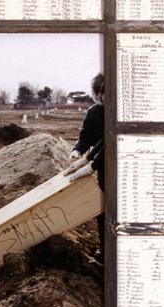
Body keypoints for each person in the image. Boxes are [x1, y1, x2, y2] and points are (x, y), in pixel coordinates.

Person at [64, 73, 105, 264]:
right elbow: (86, 137)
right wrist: (78, 151)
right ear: (98, 94)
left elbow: (111, 142)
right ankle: (105, 249)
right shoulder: (94, 113)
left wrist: (90, 164)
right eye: (101, 93)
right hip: (103, 167)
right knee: (103, 208)